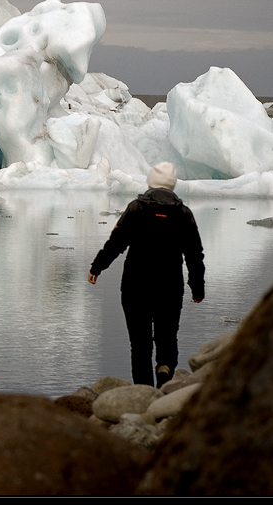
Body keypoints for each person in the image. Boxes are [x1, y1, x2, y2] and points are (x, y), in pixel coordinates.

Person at [88, 162, 205, 388]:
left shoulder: (136, 208)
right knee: (167, 338)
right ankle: (164, 373)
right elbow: (194, 254)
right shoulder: (183, 213)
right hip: (170, 287)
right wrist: (197, 287)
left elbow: (116, 243)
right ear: (173, 185)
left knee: (140, 345)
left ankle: (142, 393)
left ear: (150, 182)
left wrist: (97, 267)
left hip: (135, 285)